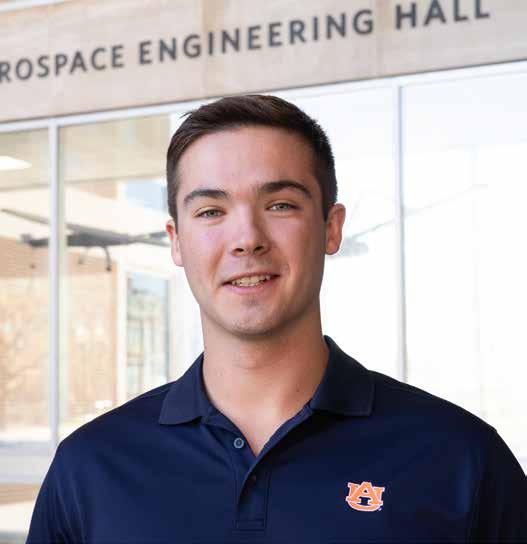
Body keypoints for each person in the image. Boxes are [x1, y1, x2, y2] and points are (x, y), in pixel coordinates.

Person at [26, 95, 527, 543]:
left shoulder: (461, 460)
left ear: (331, 228)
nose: (247, 238)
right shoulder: (90, 468)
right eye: (211, 211)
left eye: (280, 204)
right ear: (176, 241)